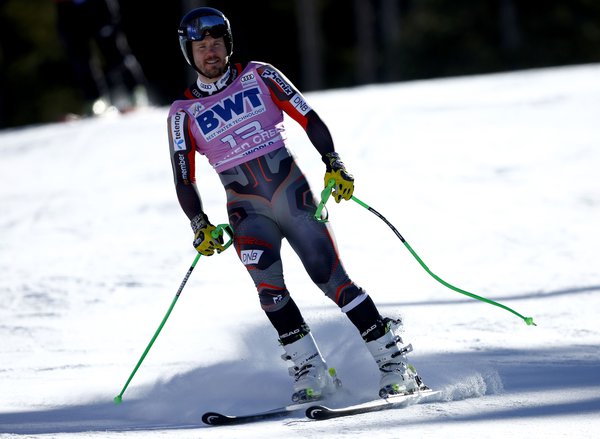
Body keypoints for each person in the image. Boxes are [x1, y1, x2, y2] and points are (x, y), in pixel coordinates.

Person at [167, 7, 426, 402]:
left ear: (228, 44)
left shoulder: (260, 74)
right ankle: (312, 370)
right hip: (247, 212)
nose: (211, 52)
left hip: (292, 194)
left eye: (216, 43)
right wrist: (199, 223)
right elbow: (183, 178)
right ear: (189, 52)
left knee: (331, 278)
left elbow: (310, 119)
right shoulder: (182, 113)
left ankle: (395, 363)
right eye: (201, 46)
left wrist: (334, 163)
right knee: (269, 290)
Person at [54, 0, 149, 115]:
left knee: (115, 52)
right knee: (81, 60)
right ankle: (94, 101)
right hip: (67, 8)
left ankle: (136, 93)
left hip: (98, 5)